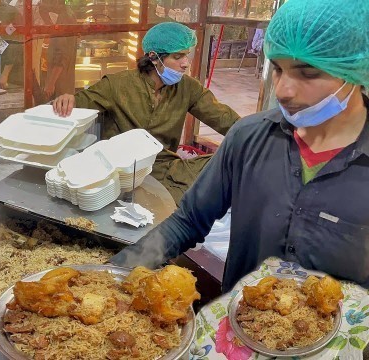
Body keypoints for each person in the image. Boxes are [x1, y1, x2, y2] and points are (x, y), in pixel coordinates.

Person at [108, 0, 369, 293]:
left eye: (307, 73)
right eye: (279, 70)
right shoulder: (248, 138)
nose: (282, 90)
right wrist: (113, 275)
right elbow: (188, 222)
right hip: (239, 324)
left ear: (355, 68)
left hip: (345, 336)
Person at [53, 22, 240, 205]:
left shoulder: (189, 88)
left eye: (187, 56)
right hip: (121, 171)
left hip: (164, 168)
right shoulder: (117, 85)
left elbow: (223, 118)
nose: (185, 64)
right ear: (154, 57)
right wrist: (67, 99)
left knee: (233, 163)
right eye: (178, 57)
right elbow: (79, 102)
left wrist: (258, 135)